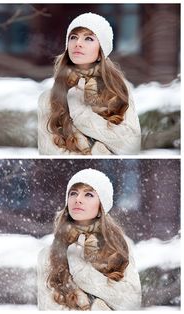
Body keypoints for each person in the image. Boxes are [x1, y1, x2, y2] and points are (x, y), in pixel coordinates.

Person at [37, 168, 142, 310]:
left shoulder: (120, 246)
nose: (78, 200)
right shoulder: (47, 254)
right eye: (73, 193)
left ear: (101, 206)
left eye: (88, 195)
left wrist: (82, 272)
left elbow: (131, 302)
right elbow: (47, 307)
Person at [38, 12, 141, 155]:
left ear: (101, 52)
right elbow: (49, 153)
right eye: (73, 37)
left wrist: (82, 115)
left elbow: (131, 146)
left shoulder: (119, 90)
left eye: (88, 38)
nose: (78, 43)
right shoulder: (48, 98)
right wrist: (99, 152)